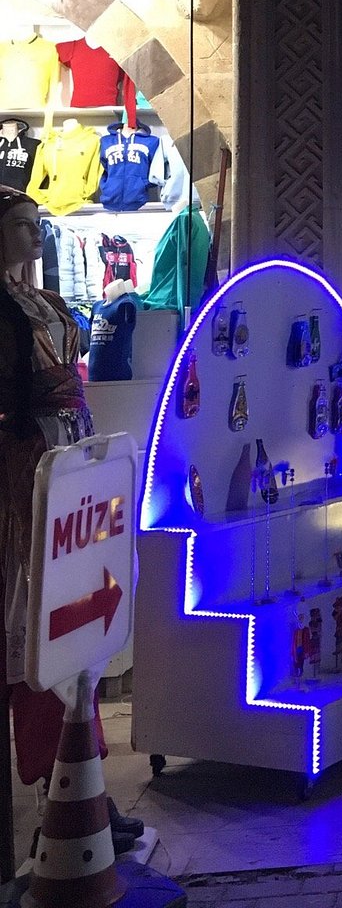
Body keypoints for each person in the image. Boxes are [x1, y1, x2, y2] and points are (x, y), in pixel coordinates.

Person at [0, 186, 144, 849]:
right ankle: (50, 797)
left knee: (79, 620)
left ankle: (84, 787)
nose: (35, 234)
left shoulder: (45, 301)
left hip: (71, 463)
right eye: (21, 224)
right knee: (39, 624)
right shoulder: (7, 312)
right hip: (27, 472)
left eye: (36, 223)